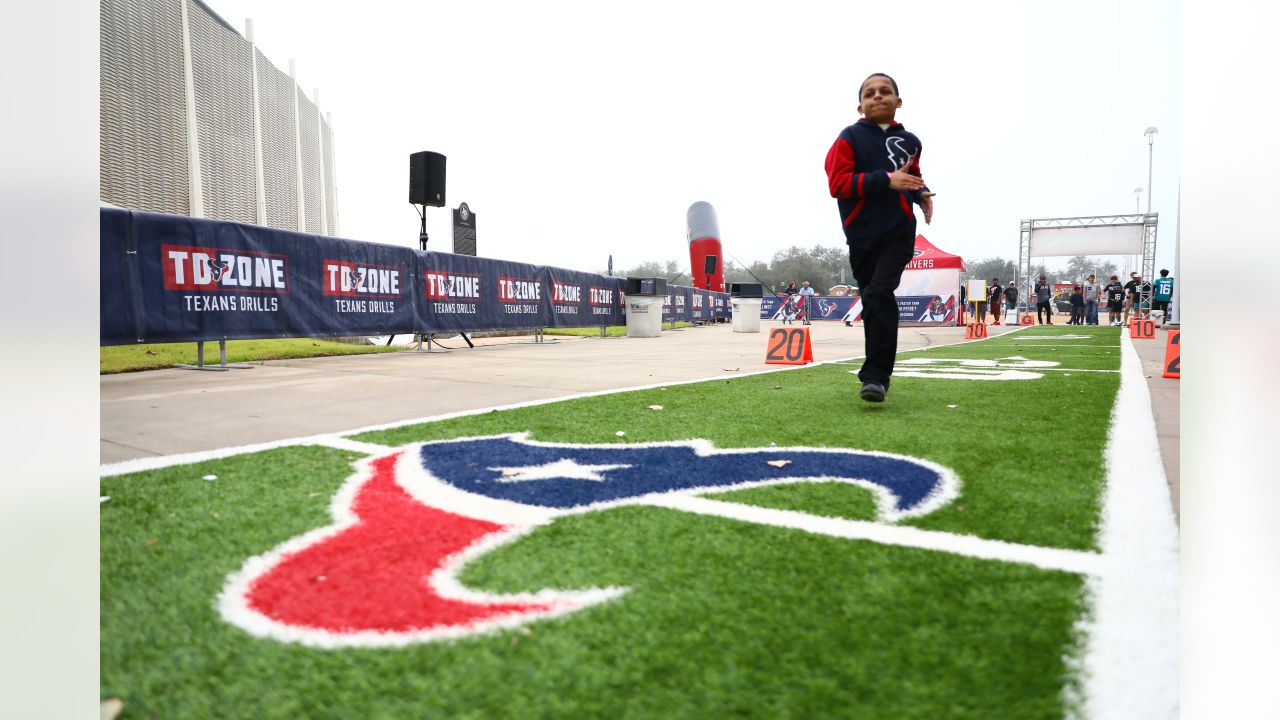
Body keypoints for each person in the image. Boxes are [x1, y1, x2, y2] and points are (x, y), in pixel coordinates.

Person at [824, 72, 933, 403]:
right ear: (860, 106)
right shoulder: (849, 138)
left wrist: (922, 193)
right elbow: (837, 184)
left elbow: (911, 173)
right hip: (861, 235)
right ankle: (875, 372)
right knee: (872, 300)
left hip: (898, 233)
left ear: (898, 102)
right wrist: (886, 180)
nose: (877, 97)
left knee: (879, 291)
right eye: (869, 93)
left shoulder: (911, 141)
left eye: (885, 92)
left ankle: (876, 376)